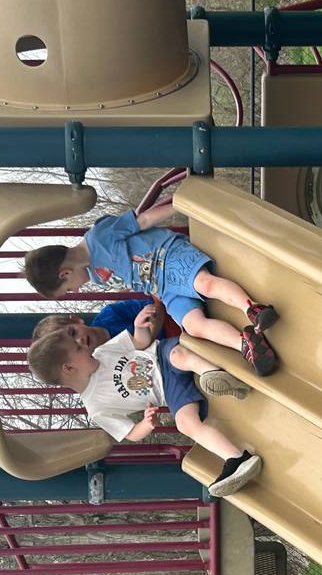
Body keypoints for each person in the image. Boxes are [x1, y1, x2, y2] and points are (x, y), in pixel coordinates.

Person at [25, 296, 262, 498]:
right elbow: (129, 433)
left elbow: (139, 343)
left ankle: (214, 375)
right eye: (78, 350)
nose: (84, 347)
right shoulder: (96, 408)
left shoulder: (102, 352)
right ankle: (237, 458)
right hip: (167, 392)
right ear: (69, 369)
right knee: (186, 424)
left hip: (161, 355)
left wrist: (139, 327)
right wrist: (145, 424)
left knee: (180, 354)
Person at [22, 201, 281, 375]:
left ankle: (252, 309)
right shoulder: (97, 276)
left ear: (65, 273)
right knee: (193, 326)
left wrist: (183, 202)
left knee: (204, 283)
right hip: (164, 287)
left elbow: (142, 221)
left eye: (68, 289)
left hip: (168, 257)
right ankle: (245, 344)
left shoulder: (99, 236)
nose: (76, 291)